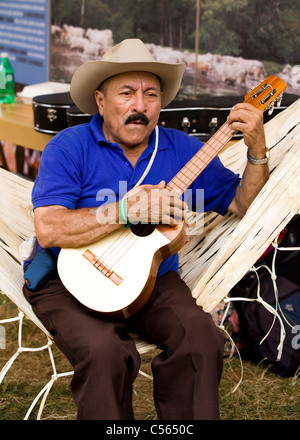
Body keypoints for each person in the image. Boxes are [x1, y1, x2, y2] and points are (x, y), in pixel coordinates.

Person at [23, 39, 269, 420]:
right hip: (70, 274)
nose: (140, 105)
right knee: (106, 354)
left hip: (152, 279)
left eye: (150, 94)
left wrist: (256, 152)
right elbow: (50, 228)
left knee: (200, 340)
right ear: (101, 101)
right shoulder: (69, 147)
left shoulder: (182, 150)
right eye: (127, 93)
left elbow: (240, 203)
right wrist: (123, 210)